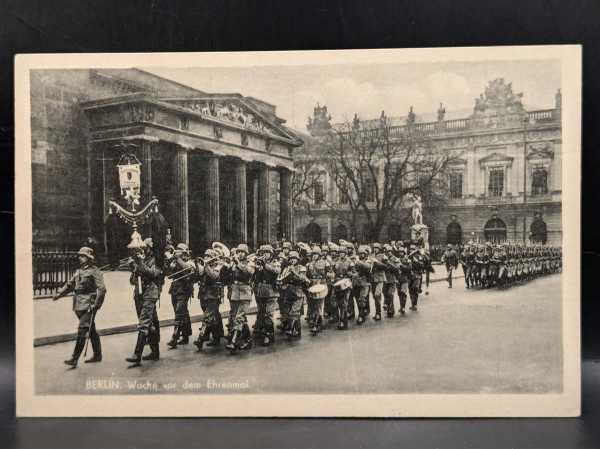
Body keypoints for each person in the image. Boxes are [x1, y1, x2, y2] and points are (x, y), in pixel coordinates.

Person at [53, 246, 106, 368]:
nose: (80, 258)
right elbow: (69, 285)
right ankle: (98, 354)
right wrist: (58, 295)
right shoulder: (78, 271)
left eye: (83, 256)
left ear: (89, 258)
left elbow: (102, 289)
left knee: (82, 330)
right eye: (80, 256)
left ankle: (74, 358)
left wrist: (96, 305)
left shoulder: (95, 271)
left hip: (89, 305)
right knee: (91, 329)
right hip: (78, 305)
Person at [126, 238, 162, 367]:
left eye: (144, 247)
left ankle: (137, 354)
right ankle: (155, 352)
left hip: (150, 293)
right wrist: (133, 267)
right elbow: (132, 281)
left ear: (149, 248)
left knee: (144, 322)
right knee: (149, 323)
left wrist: (140, 263)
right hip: (139, 294)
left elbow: (153, 273)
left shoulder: (157, 259)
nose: (141, 250)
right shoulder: (141, 259)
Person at [223, 244, 255, 352]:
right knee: (238, 317)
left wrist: (238, 263)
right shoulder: (234, 263)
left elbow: (249, 272)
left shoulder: (250, 262)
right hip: (235, 291)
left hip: (245, 291)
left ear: (246, 253)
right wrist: (226, 266)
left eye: (242, 252)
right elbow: (227, 277)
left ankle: (234, 342)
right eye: (238, 252)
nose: (239, 254)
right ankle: (248, 340)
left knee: (239, 317)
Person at [194, 249, 226, 351]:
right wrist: (197, 265)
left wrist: (206, 266)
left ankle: (200, 339)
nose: (206, 258)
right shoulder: (205, 266)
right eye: (205, 256)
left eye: (208, 256)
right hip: (204, 294)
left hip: (213, 295)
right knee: (213, 317)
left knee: (207, 317)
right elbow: (199, 275)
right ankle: (217, 337)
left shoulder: (218, 266)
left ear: (212, 258)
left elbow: (214, 276)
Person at [165, 243, 195, 349]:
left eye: (179, 250)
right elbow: (168, 274)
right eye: (177, 250)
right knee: (182, 312)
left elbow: (187, 269)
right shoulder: (175, 260)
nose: (177, 252)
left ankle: (175, 337)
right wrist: (170, 260)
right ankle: (186, 335)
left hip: (184, 290)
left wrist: (178, 259)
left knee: (179, 313)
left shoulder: (189, 261)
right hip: (175, 289)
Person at [252, 244, 281, 346]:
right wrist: (256, 267)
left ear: (271, 254)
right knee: (261, 312)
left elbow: (276, 271)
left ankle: (269, 335)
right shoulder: (260, 263)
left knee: (269, 314)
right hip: (261, 291)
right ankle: (261, 331)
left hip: (271, 291)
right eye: (263, 253)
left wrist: (264, 265)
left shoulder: (275, 262)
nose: (265, 255)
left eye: (267, 253)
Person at [281, 251, 310, 339]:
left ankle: (292, 329)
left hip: (298, 291)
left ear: (297, 259)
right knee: (289, 311)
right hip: (289, 291)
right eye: (291, 259)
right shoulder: (287, 268)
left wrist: (294, 272)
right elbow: (282, 277)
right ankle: (296, 330)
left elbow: (302, 278)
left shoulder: (302, 268)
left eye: (294, 258)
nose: (292, 260)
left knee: (294, 311)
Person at [306, 246, 330, 335]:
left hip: (321, 285)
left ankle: (317, 324)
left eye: (316, 254)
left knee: (319, 305)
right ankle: (315, 321)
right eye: (313, 254)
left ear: (319, 255)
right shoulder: (309, 264)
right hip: (312, 285)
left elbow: (330, 273)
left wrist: (325, 278)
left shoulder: (325, 263)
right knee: (312, 305)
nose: (314, 256)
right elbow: (307, 275)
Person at [354, 245, 373, 325]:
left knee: (362, 299)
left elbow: (368, 267)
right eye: (360, 253)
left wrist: (358, 262)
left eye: (363, 253)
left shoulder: (369, 260)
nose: (361, 255)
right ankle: (363, 311)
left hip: (365, 283)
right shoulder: (356, 260)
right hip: (357, 282)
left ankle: (361, 315)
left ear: (366, 254)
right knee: (358, 299)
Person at [370, 243, 388, 320]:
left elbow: (385, 266)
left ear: (379, 249)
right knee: (375, 296)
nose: (375, 249)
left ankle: (378, 314)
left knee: (377, 294)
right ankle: (377, 312)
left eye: (377, 248)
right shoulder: (371, 256)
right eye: (374, 248)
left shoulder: (383, 256)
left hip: (380, 278)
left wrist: (376, 262)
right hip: (373, 279)